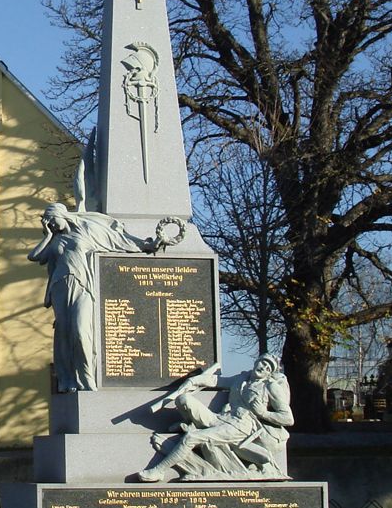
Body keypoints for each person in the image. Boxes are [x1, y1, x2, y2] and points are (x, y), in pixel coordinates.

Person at [27, 203, 154, 392]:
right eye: (48, 222)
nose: (51, 224)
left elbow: (115, 240)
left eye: (52, 220)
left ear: (62, 215)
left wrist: (145, 245)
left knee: (81, 330)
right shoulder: (54, 240)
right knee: (64, 333)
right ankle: (68, 379)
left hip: (83, 286)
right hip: (59, 287)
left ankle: (87, 378)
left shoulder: (85, 230)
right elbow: (34, 256)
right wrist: (48, 235)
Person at [133, 353, 294, 482]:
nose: (263, 367)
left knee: (191, 438)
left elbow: (288, 418)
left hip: (242, 426)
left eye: (268, 368)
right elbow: (216, 380)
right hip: (223, 418)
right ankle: (190, 423)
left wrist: (263, 413)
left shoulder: (270, 386)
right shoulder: (241, 379)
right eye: (262, 363)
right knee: (183, 400)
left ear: (269, 374)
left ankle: (158, 471)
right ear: (256, 362)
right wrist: (194, 380)